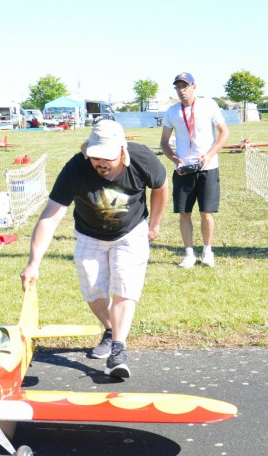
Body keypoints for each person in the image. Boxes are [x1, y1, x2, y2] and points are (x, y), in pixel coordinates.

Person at [20, 120, 168, 380]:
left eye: (107, 158)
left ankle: (118, 352)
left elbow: (161, 187)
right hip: (89, 234)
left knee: (125, 288)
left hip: (130, 233)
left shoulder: (144, 159)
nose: (101, 163)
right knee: (92, 289)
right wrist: (34, 262)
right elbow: (51, 216)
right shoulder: (75, 168)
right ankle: (111, 329)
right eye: (95, 157)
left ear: (122, 150)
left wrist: (153, 225)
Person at [159, 72, 228, 269]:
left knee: (206, 212)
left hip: (208, 167)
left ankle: (207, 251)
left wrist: (209, 155)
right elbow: (164, 143)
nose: (181, 90)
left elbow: (225, 133)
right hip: (183, 170)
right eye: (178, 87)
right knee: (184, 213)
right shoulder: (172, 112)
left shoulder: (208, 105)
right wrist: (174, 160)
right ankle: (188, 253)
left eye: (185, 86)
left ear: (194, 87)